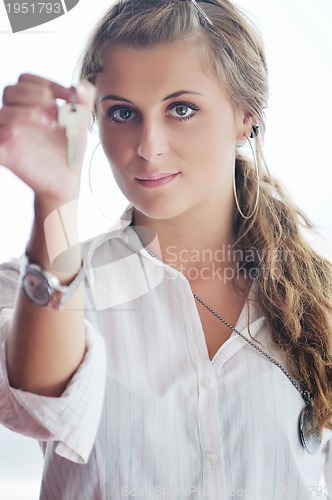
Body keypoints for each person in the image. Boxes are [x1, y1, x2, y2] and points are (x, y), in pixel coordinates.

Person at [0, 0, 331, 498]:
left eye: (181, 109)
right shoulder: (38, 282)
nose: (148, 145)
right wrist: (55, 204)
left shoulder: (320, 299)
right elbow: (43, 404)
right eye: (122, 113)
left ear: (246, 116)